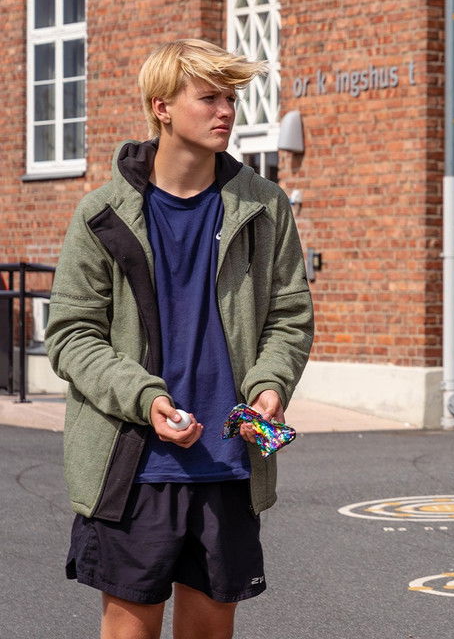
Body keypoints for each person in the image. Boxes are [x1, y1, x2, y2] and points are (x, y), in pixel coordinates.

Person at [47, 38, 314, 639]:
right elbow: (71, 334)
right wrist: (145, 398)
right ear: (161, 107)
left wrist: (270, 384)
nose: (226, 111)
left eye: (231, 99)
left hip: (228, 462)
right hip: (132, 464)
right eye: (209, 97)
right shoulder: (102, 213)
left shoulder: (264, 207)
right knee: (130, 632)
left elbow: (290, 317)